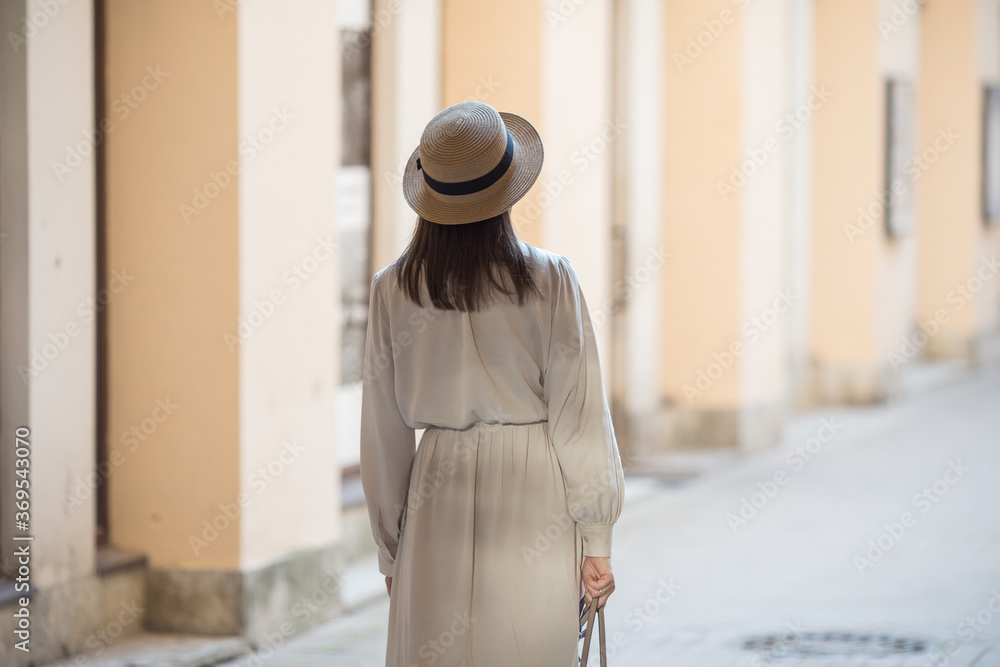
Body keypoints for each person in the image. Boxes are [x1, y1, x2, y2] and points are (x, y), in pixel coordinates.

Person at [360, 100, 625, 666]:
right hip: (535, 492)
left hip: (434, 498)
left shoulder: (391, 290)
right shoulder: (549, 279)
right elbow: (578, 416)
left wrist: (391, 551)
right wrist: (596, 537)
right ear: (505, 192)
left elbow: (381, 434)